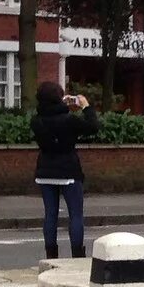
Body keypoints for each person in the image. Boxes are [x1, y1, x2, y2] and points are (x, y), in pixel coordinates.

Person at [31, 81, 100, 261]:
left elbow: (50, 112)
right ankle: (77, 255)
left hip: (45, 170)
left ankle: (51, 255)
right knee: (75, 214)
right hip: (68, 170)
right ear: (58, 97)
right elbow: (93, 127)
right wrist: (85, 106)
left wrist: (60, 103)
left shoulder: (36, 120)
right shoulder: (69, 120)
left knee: (50, 214)